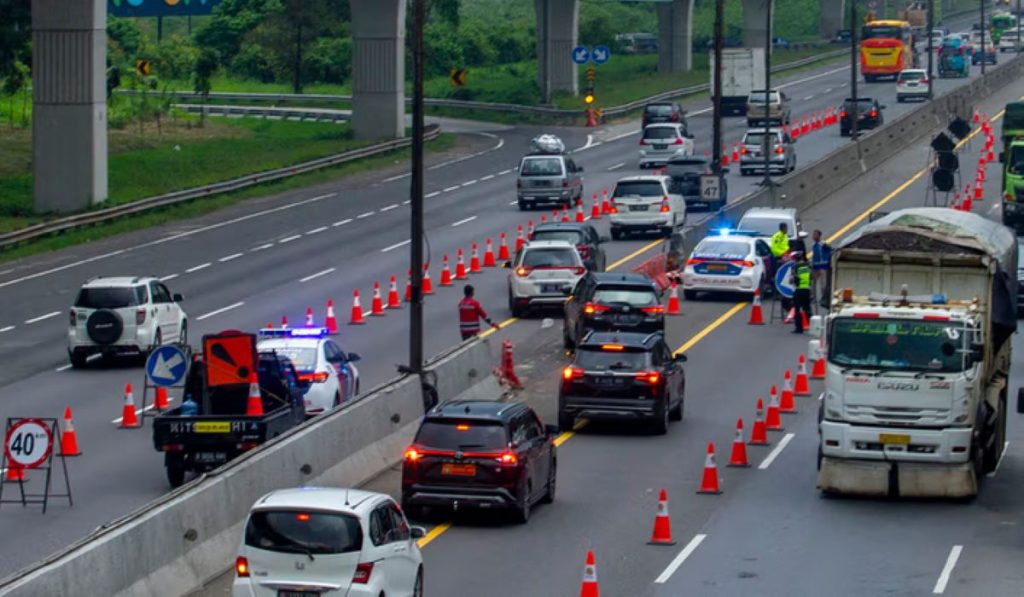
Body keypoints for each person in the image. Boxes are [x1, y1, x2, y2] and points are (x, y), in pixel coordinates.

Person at [810, 229, 833, 310]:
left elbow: (831, 250)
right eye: (813, 235)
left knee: (823, 284)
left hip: (823, 266)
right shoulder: (813, 245)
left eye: (815, 235)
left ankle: (824, 298)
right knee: (813, 282)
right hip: (815, 266)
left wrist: (827, 262)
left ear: (819, 236)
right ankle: (813, 297)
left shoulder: (823, 244)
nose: (813, 236)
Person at [790, 252, 812, 334]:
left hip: (799, 290)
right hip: (807, 290)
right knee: (807, 309)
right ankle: (811, 326)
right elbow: (812, 277)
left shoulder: (795, 267)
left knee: (798, 310)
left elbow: (792, 280)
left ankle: (799, 328)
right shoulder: (808, 266)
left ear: (795, 259)